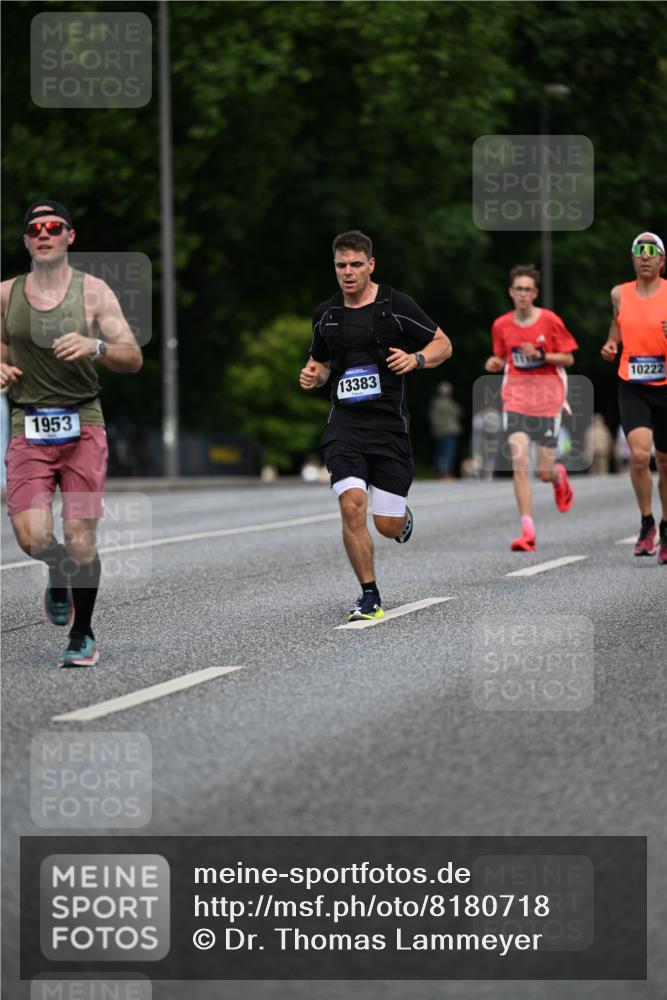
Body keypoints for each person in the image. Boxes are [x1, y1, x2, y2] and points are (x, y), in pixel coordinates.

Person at [0, 200, 143, 666]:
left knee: (81, 537)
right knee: (31, 537)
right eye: (35, 228)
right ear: (26, 241)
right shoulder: (6, 295)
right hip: (28, 425)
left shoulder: (94, 292)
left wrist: (95, 345)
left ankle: (82, 635)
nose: (44, 233)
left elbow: (132, 357)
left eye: (53, 226)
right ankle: (56, 568)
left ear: (70, 236)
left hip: (83, 425)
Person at [299, 230, 452, 621]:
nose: (348, 272)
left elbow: (443, 344)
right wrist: (313, 375)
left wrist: (417, 359)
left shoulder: (394, 305)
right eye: (341, 265)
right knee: (352, 505)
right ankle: (369, 595)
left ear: (370, 265)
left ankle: (401, 518)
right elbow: (321, 365)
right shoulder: (326, 314)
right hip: (344, 425)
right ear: (334, 267)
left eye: (355, 265)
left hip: (388, 427)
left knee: (386, 524)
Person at [485, 264, 578, 551]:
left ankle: (558, 477)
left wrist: (542, 355)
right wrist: (495, 363)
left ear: (535, 293)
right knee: (520, 461)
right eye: (519, 289)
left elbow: (568, 358)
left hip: (548, 400)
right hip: (516, 399)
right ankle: (527, 530)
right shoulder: (501, 325)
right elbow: (502, 357)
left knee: (545, 472)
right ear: (511, 292)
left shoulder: (550, 321)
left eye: (528, 289)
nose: (523, 294)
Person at [601, 232, 667, 564]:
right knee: (640, 456)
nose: (645, 256)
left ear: (661, 261)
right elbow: (617, 323)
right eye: (639, 251)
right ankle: (647, 523)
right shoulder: (619, 293)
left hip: (666, 384)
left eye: (651, 251)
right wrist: (612, 343)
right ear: (633, 259)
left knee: (665, 463)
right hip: (633, 383)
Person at [429, 381, 462, 478]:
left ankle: (444, 472)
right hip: (446, 431)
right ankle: (444, 473)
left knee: (444, 453)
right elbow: (459, 412)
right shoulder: (443, 403)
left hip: (446, 432)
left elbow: (459, 412)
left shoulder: (441, 402)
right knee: (447, 453)